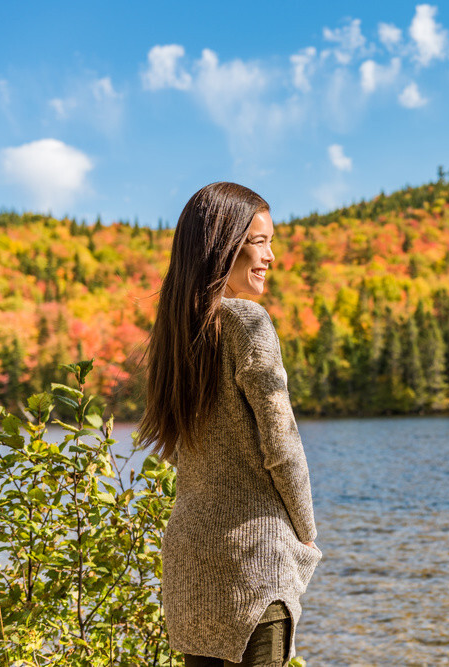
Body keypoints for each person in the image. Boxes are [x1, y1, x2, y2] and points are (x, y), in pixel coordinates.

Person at [136, 182, 321, 666]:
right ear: (222, 246)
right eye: (258, 241)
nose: (271, 256)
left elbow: (183, 453)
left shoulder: (175, 339)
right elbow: (281, 444)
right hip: (254, 563)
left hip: (191, 569)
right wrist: (306, 531)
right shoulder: (247, 322)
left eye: (270, 241)